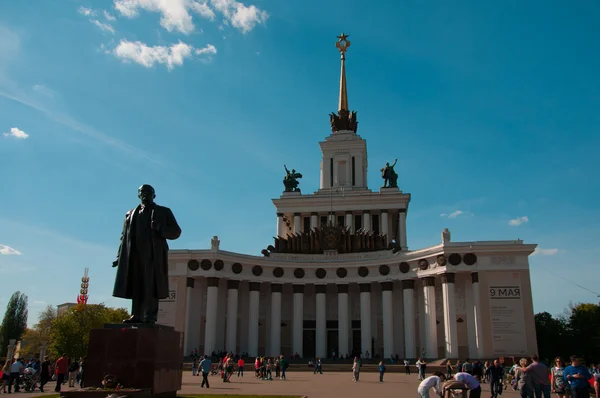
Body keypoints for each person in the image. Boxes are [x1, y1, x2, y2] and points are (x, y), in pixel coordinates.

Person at [112, 184, 182, 324]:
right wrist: (119, 256)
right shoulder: (130, 214)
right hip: (134, 254)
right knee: (136, 284)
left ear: (154, 195)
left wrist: (160, 229)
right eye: (143, 192)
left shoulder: (164, 212)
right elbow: (123, 237)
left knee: (151, 284)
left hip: (153, 254)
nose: (145, 194)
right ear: (138, 195)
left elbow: (176, 231)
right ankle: (136, 315)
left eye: (149, 192)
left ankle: (150, 315)